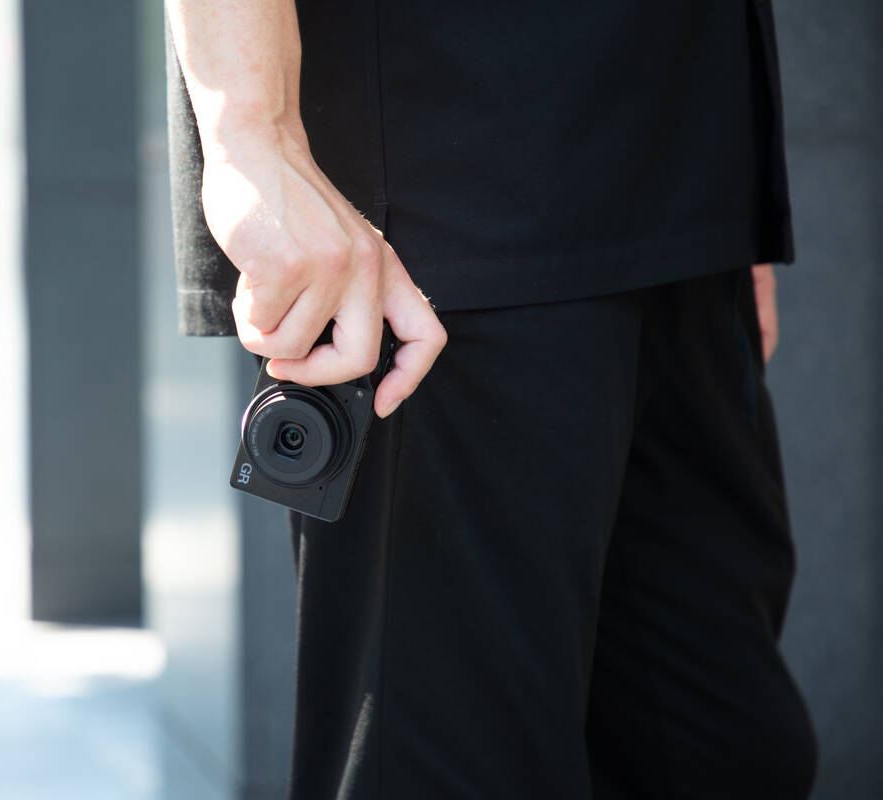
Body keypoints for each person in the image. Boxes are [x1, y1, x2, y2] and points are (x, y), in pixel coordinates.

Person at [165, 1, 817, 797]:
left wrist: (736, 188)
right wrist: (248, 132)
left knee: (730, 750)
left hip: (684, 176)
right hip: (447, 208)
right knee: (459, 765)